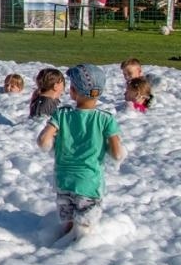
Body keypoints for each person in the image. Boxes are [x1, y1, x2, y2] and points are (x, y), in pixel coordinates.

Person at [37, 64, 124, 240]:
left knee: (68, 225)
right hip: (89, 183)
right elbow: (117, 153)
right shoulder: (105, 119)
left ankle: (58, 247)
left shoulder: (61, 115)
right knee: (85, 229)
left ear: (73, 91)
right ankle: (78, 254)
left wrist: (52, 146)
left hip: (63, 181)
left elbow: (43, 141)